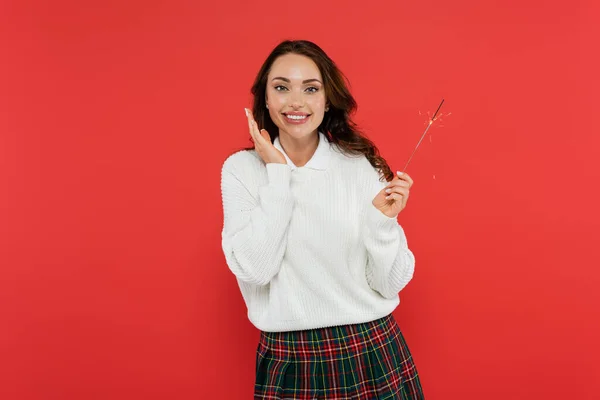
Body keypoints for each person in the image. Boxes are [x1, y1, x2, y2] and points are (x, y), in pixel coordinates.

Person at [220, 39, 425, 399]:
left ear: (326, 99)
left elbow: (389, 283)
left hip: (371, 350)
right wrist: (278, 174)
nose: (295, 101)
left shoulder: (360, 165)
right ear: (266, 99)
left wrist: (382, 225)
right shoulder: (241, 170)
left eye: (310, 89)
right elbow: (255, 269)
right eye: (281, 87)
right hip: (289, 359)